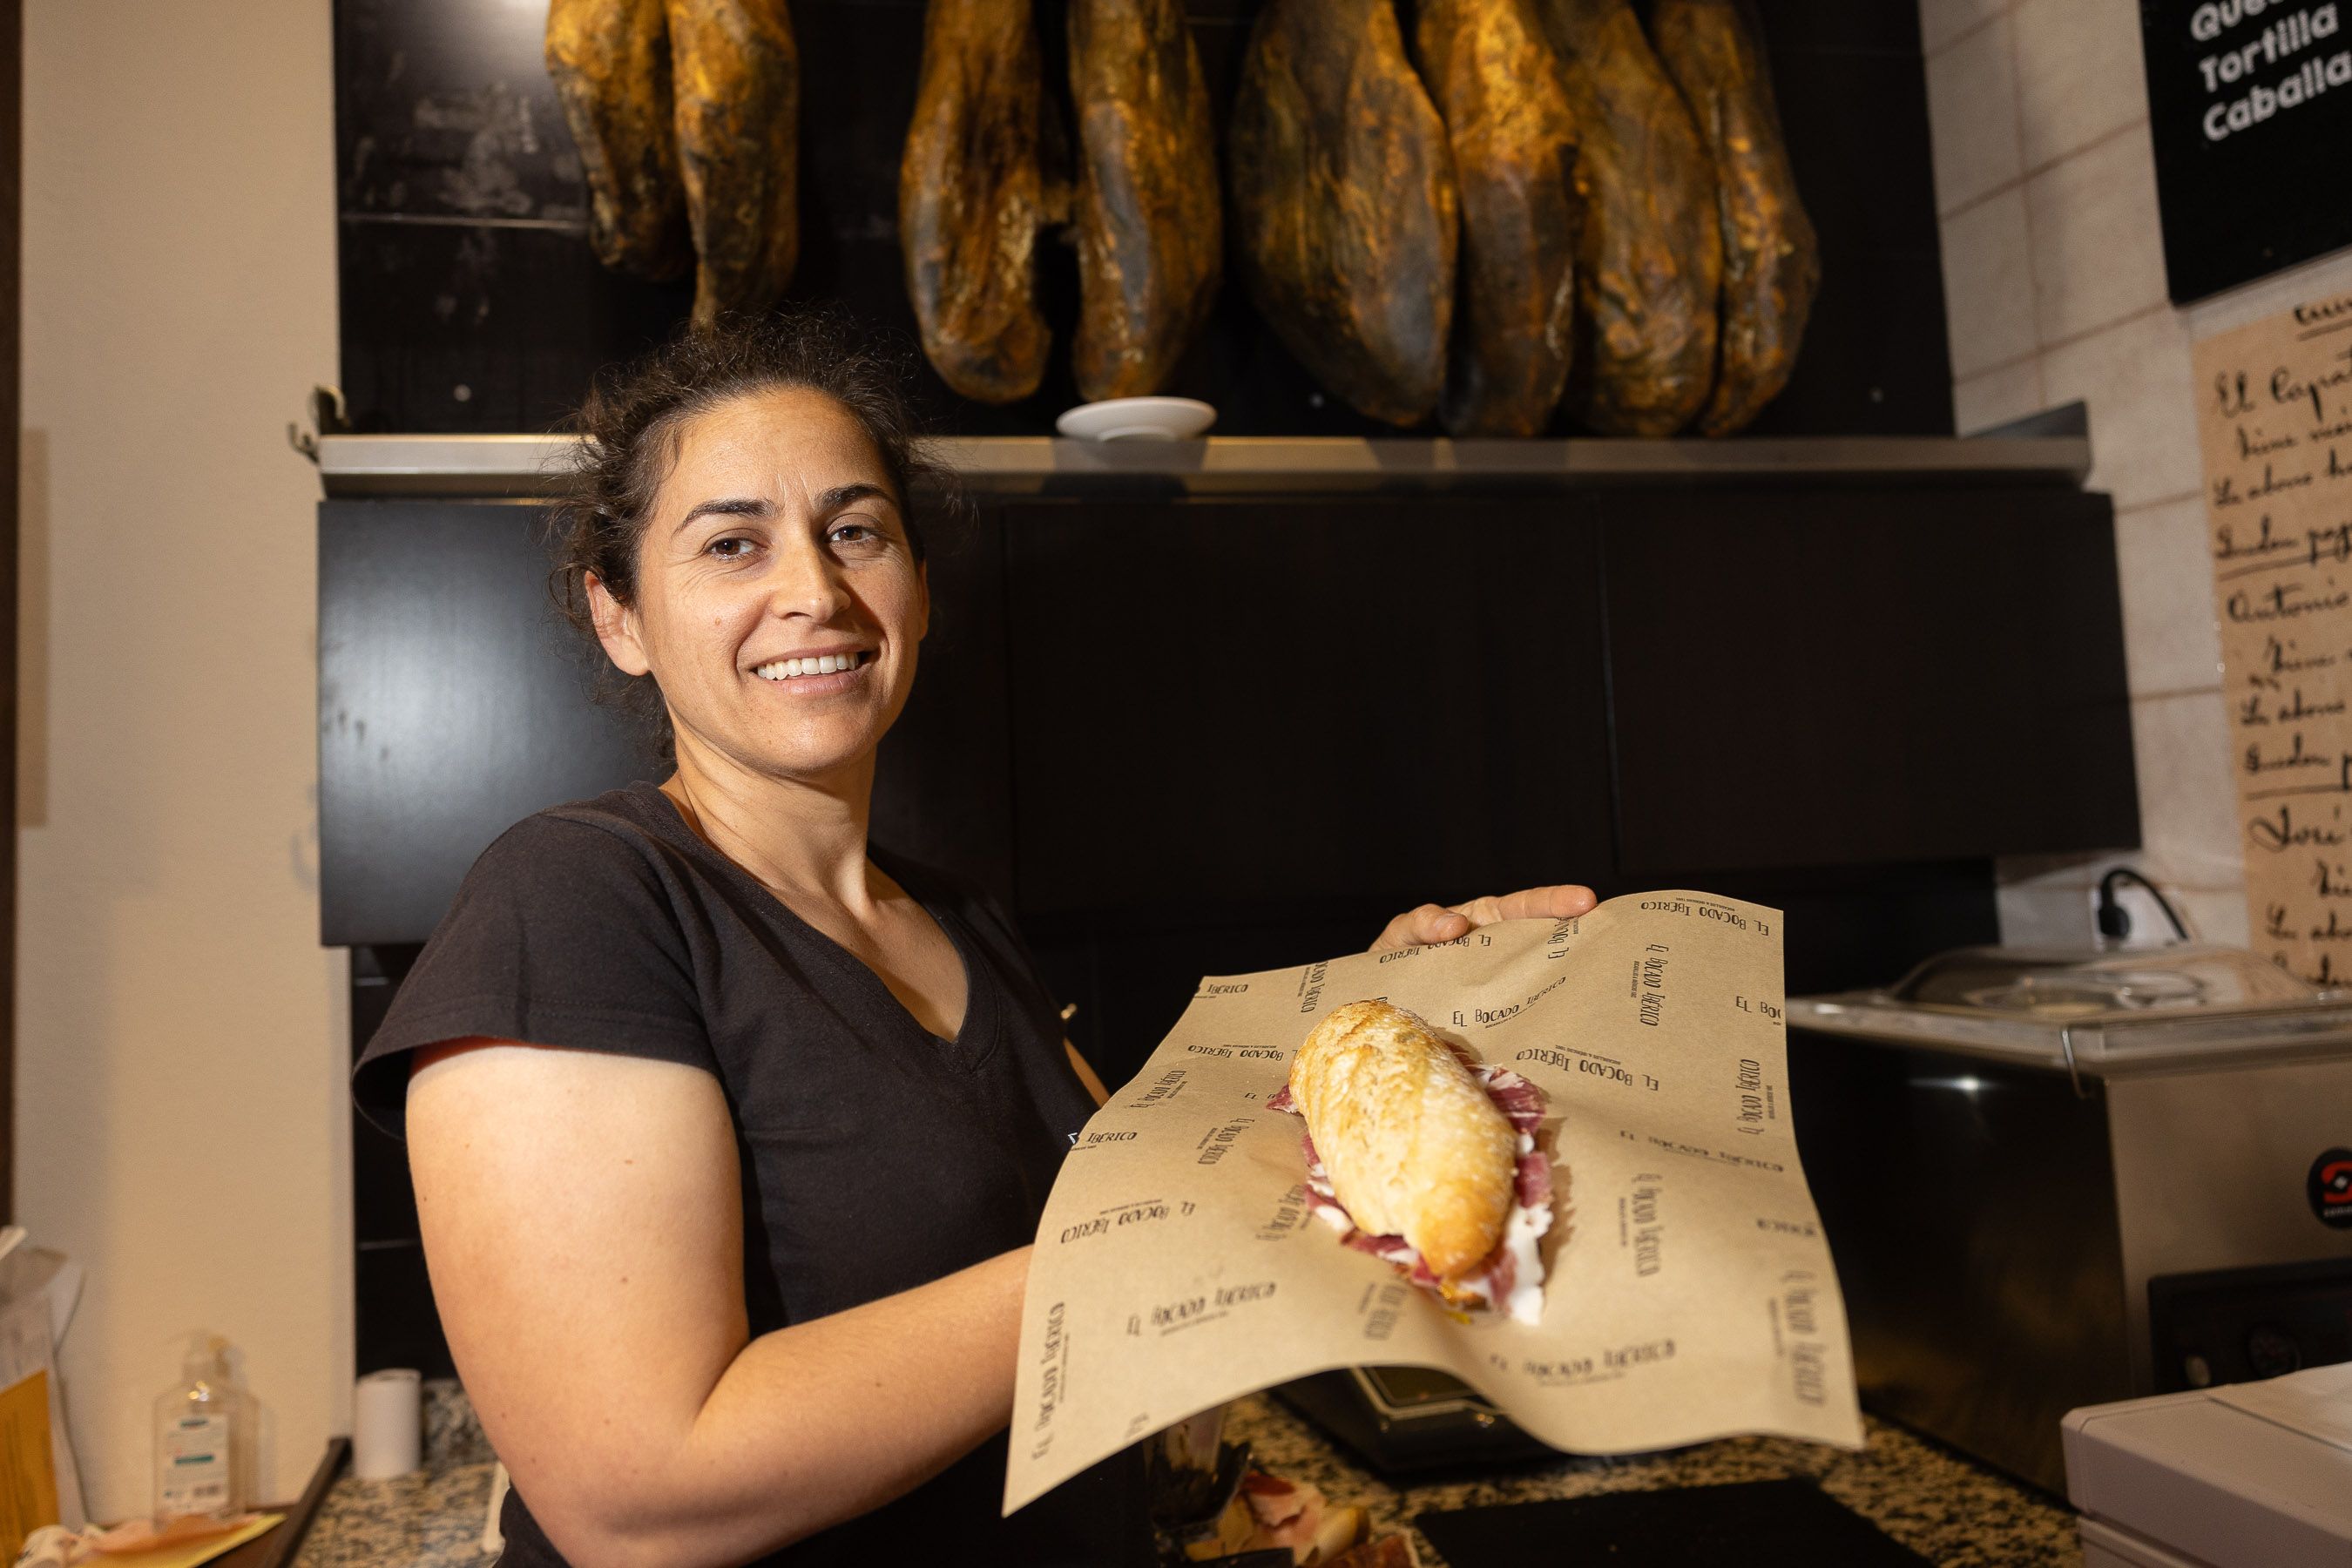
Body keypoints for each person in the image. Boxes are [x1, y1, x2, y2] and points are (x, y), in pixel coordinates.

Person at [352, 315, 1595, 1568]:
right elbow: (637, 1497)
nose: (814, 591)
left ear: (920, 589)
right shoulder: (574, 901)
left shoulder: (955, 919)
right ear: (619, 617)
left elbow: (1194, 1175)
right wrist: (1138, 1254)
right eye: (733, 543)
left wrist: (1383, 1022)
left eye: (856, 532)